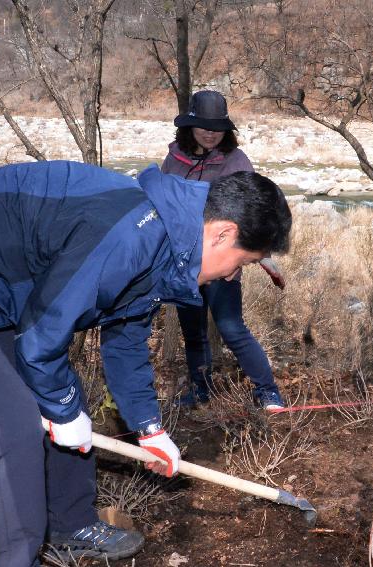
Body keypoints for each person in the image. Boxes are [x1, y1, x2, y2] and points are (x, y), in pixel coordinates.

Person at [0, 161, 292, 565]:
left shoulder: (166, 240)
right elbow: (41, 337)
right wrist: (61, 408)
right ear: (222, 233)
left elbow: (126, 338)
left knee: (66, 407)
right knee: (13, 428)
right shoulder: (130, 234)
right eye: (243, 262)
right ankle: (16, 558)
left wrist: (148, 428)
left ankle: (70, 527)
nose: (232, 277)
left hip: (9, 294)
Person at [161, 90, 287, 410]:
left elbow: (253, 212)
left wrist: (265, 260)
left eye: (217, 126)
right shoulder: (174, 159)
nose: (210, 132)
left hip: (223, 263)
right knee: (193, 331)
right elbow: (163, 206)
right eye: (203, 125)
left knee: (232, 328)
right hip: (184, 262)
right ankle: (200, 390)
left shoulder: (236, 161)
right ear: (189, 125)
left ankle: (267, 391)